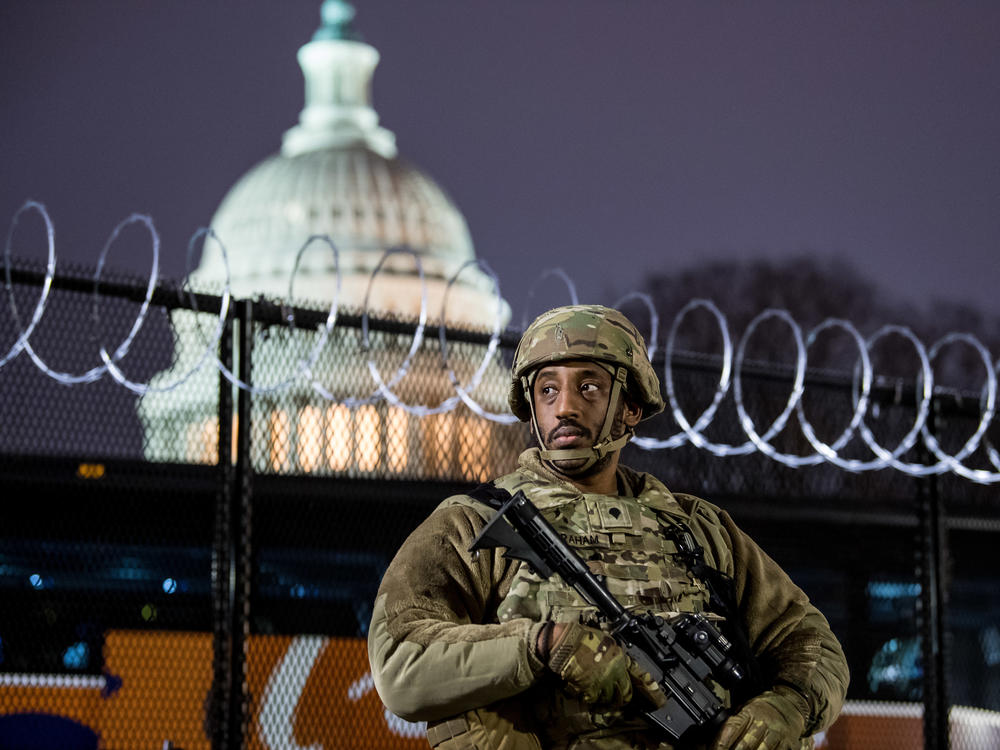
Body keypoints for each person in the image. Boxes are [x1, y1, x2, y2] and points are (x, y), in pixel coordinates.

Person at [368, 305, 849, 750]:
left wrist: (787, 704)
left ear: (630, 407)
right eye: (548, 390)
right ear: (532, 406)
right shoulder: (473, 521)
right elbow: (400, 662)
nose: (565, 408)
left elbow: (810, 643)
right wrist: (543, 646)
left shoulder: (699, 529)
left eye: (590, 387)